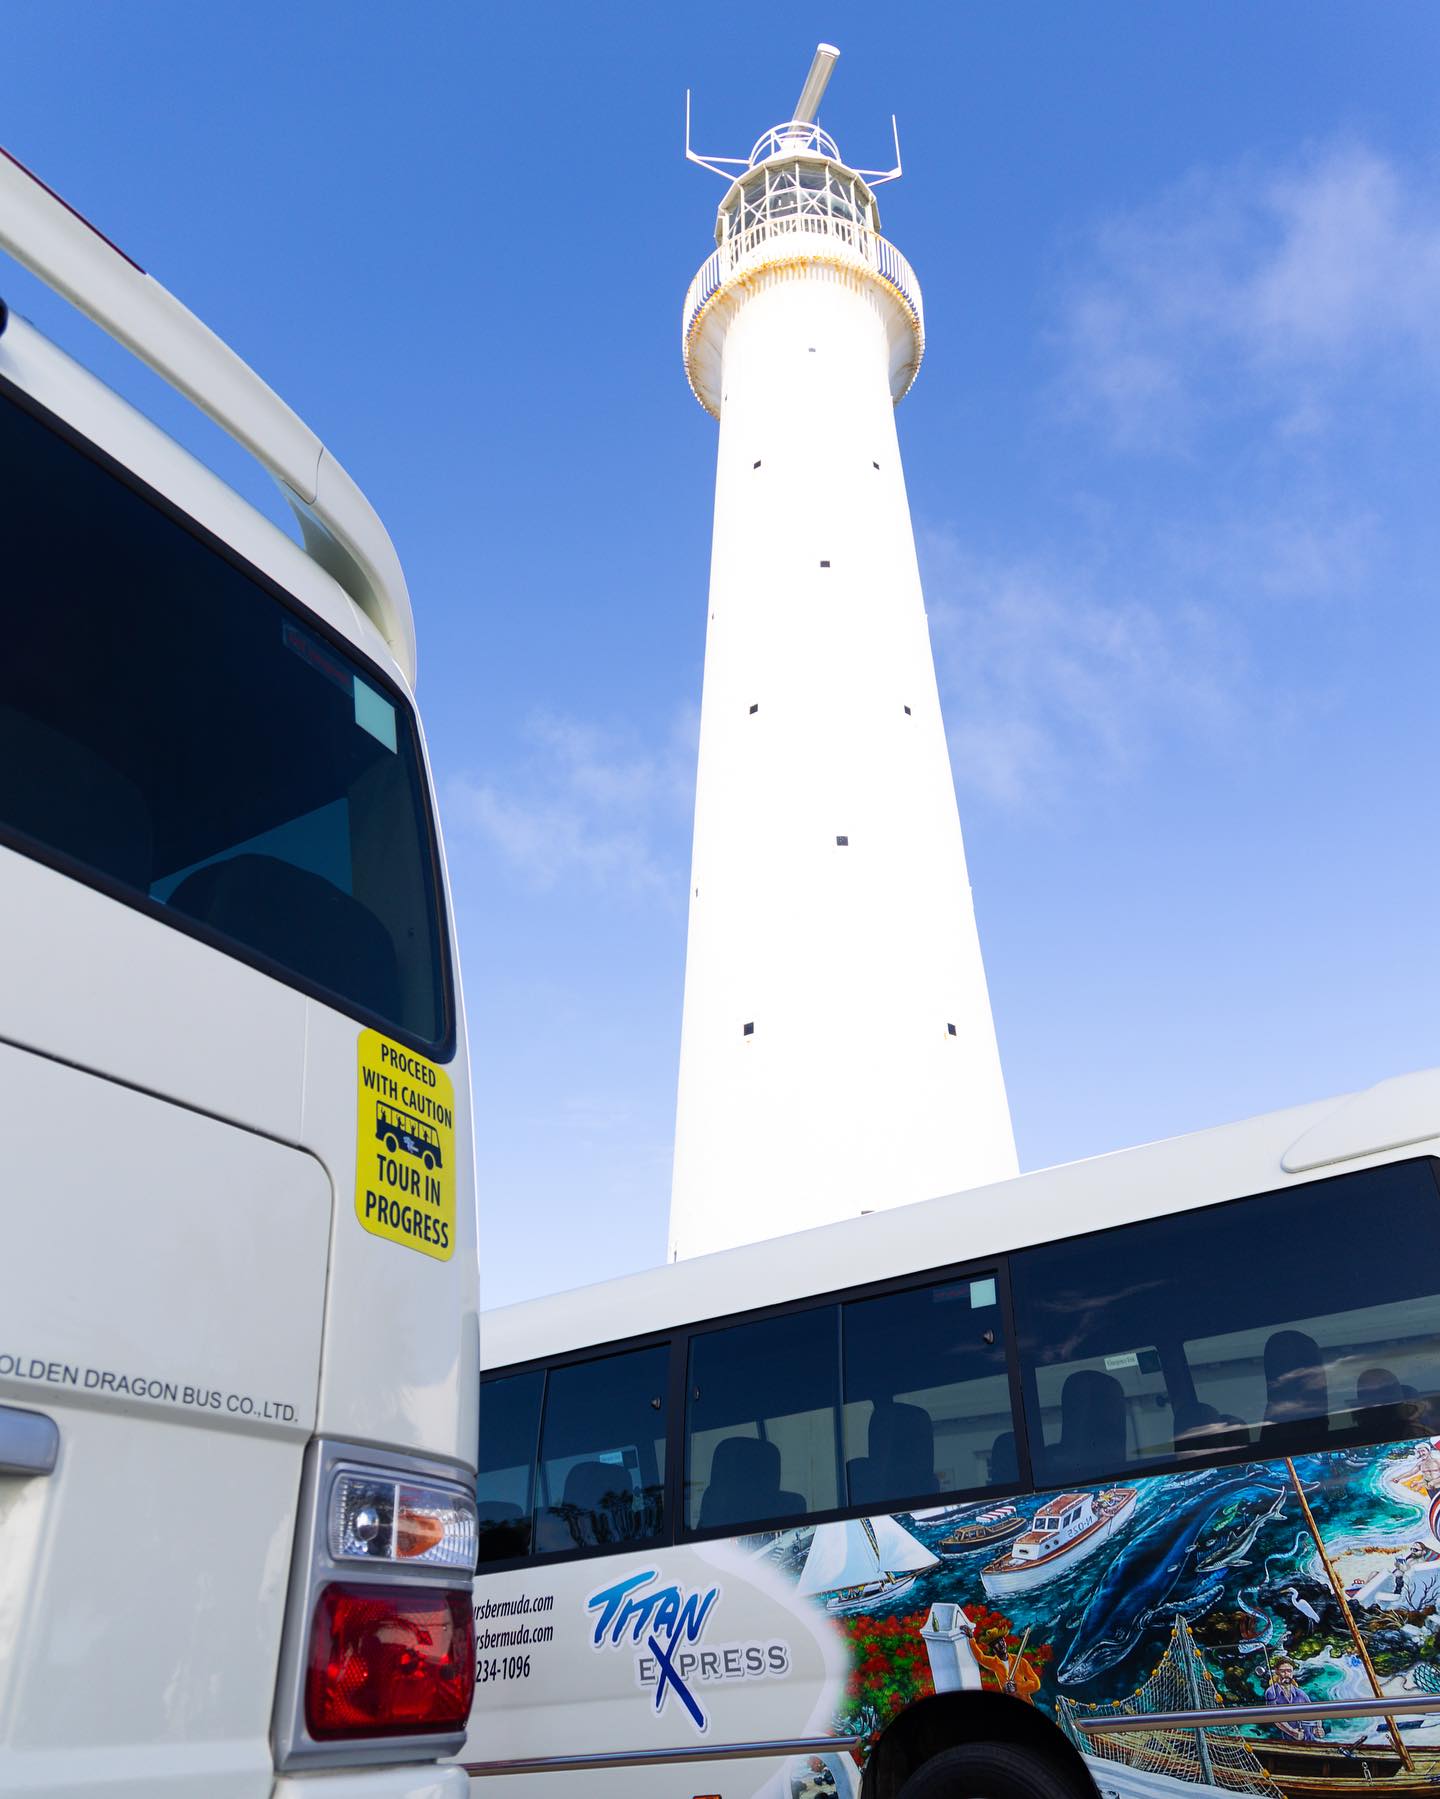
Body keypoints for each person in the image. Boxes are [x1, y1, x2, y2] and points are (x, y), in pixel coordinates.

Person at [1264, 1657, 1323, 1742]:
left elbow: (1315, 1713)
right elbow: (1274, 1717)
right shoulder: (1271, 1692)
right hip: (1289, 1741)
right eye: (1283, 1671)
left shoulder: (1300, 1693)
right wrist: (1292, 1732)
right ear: (1276, 1672)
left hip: (1309, 1739)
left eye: (1289, 1671)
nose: (1286, 1674)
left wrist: (1318, 1728)